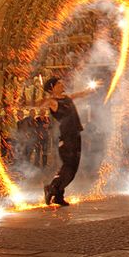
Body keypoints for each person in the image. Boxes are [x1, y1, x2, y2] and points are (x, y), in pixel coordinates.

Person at [41, 76, 92, 207]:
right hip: (67, 137)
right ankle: (52, 187)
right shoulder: (53, 102)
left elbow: (77, 95)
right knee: (69, 167)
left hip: (75, 135)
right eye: (58, 83)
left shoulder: (67, 98)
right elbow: (42, 102)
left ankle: (58, 196)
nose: (62, 84)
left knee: (71, 168)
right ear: (52, 87)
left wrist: (88, 91)